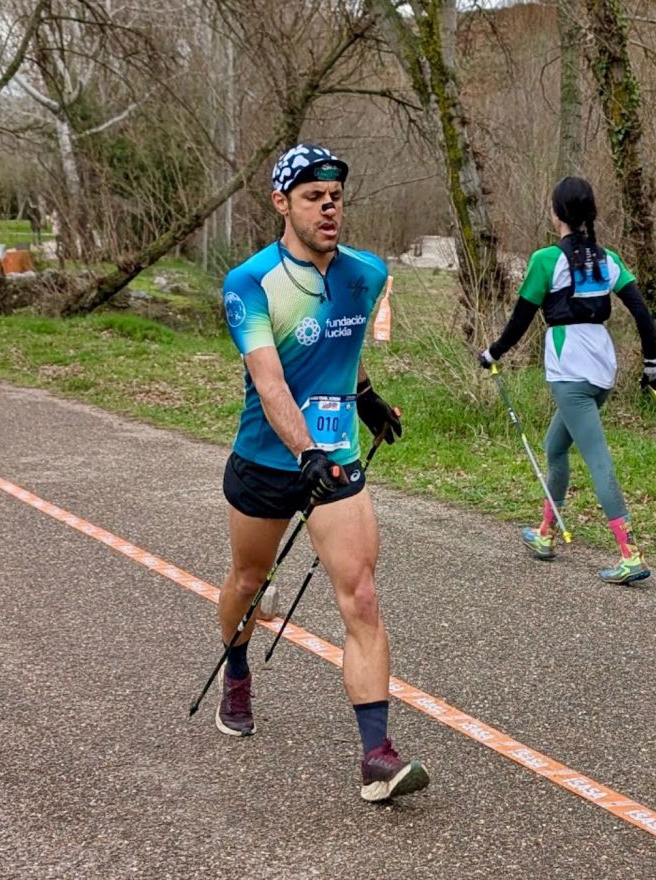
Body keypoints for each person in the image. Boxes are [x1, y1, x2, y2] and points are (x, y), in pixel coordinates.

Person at [217, 143, 430, 802]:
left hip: (332, 461)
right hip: (266, 460)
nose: (328, 207)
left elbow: (347, 345)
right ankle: (238, 669)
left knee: (361, 596)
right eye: (313, 196)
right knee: (250, 581)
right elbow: (270, 379)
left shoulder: (363, 274)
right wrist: (302, 448)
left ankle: (377, 757)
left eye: (335, 195)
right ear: (282, 203)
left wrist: (364, 399)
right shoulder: (250, 284)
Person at [479, 176, 656, 586]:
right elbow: (642, 313)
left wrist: (493, 353)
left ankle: (630, 553)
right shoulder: (608, 258)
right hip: (602, 366)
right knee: (555, 446)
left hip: (571, 368)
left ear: (557, 213)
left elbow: (521, 319)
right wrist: (654, 367)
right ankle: (546, 534)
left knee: (596, 457)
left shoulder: (547, 259)